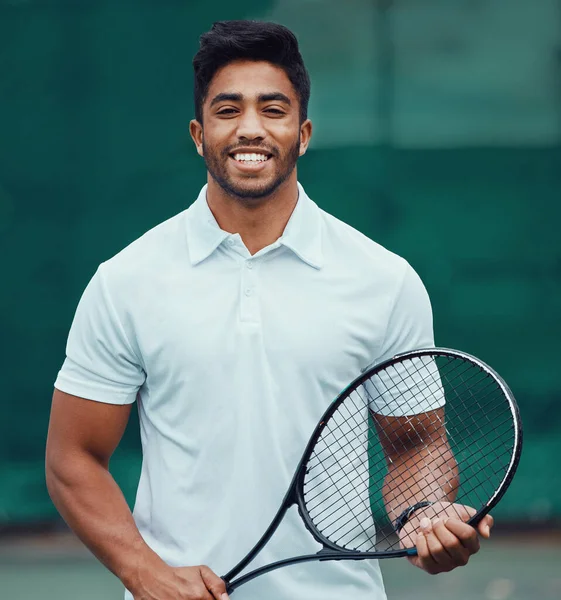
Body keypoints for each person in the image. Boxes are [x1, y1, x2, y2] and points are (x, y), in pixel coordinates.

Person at [46, 20, 493, 600]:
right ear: (198, 134)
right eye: (227, 110)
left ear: (303, 133)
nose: (250, 128)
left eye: (273, 109)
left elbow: (416, 445)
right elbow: (73, 457)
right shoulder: (125, 282)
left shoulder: (383, 280)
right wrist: (144, 572)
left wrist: (426, 515)